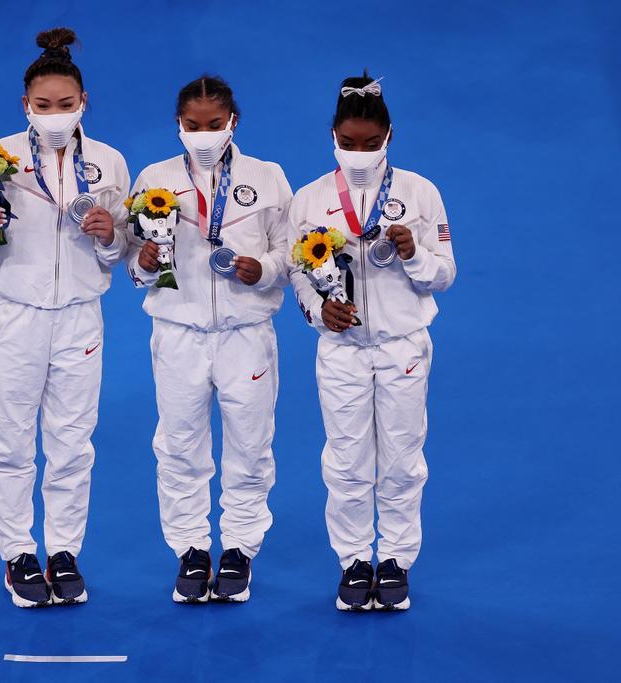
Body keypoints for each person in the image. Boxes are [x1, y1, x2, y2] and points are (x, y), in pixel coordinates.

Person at [0, 28, 129, 608]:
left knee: (73, 442)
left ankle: (63, 551)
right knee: (8, 442)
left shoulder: (108, 163)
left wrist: (109, 238)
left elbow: (122, 250)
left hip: (80, 316)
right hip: (15, 314)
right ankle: (18, 556)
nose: (55, 116)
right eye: (43, 106)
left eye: (66, 105)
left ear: (85, 103)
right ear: (24, 106)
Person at [288, 72, 456, 611]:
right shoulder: (310, 197)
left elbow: (445, 274)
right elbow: (296, 271)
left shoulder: (420, 192)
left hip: (403, 344)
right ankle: (355, 560)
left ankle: (396, 560)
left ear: (390, 136)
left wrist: (414, 255)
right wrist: (318, 311)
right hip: (340, 349)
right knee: (346, 459)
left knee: (404, 458)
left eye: (369, 143)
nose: (357, 153)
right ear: (331, 135)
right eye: (347, 142)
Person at [126, 76, 291, 603]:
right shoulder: (154, 177)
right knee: (178, 446)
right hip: (179, 333)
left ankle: (240, 547)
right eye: (193, 126)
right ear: (179, 125)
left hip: (246, 333)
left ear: (233, 122)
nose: (203, 134)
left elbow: (293, 255)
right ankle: (191, 549)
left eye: (214, 125)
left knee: (250, 443)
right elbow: (131, 263)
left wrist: (260, 268)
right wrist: (145, 263)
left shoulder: (267, 178)